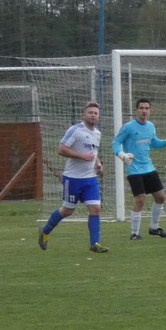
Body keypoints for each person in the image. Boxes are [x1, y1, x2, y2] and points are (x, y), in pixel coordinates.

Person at [39, 101, 108, 254]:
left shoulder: (97, 133)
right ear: (84, 114)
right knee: (67, 210)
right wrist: (82, 156)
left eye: (96, 113)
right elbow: (61, 149)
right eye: (90, 112)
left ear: (99, 116)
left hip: (90, 179)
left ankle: (95, 243)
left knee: (95, 208)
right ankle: (45, 230)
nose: (93, 115)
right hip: (73, 179)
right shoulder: (75, 130)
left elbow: (92, 152)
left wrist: (97, 163)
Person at [112, 98, 166, 240]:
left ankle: (154, 228)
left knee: (160, 196)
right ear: (136, 110)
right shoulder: (128, 127)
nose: (144, 111)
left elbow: (154, 143)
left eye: (146, 108)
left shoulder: (150, 126)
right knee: (140, 199)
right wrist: (122, 155)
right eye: (141, 108)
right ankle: (134, 233)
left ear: (150, 110)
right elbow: (115, 142)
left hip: (148, 167)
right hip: (134, 169)